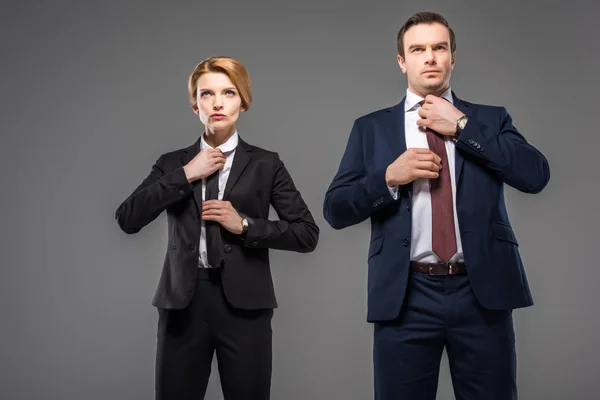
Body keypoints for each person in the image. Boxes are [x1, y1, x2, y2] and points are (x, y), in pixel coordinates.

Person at [323, 11, 550, 400]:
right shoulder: (371, 128)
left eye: (438, 48)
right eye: (418, 49)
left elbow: (536, 175)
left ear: (452, 57)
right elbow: (335, 209)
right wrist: (389, 178)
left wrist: (462, 127)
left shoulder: (489, 120)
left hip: (481, 291)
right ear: (402, 61)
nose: (429, 57)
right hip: (406, 294)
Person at [115, 56, 319, 400]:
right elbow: (127, 218)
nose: (218, 102)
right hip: (182, 304)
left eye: (229, 92)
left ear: (243, 101)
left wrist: (244, 225)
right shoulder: (172, 163)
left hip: (245, 309)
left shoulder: (266, 163)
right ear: (196, 105)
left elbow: (306, 233)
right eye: (207, 94)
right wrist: (185, 175)